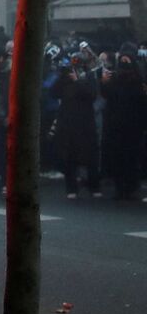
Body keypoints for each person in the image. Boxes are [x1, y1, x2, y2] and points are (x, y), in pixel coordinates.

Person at [100, 45, 146, 202]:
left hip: (133, 126)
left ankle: (131, 187)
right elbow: (107, 95)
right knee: (119, 158)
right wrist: (104, 83)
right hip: (117, 126)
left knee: (131, 158)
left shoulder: (138, 81)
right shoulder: (115, 80)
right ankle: (121, 188)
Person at [54, 53, 101, 198]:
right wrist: (62, 77)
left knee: (91, 156)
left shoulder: (88, 77)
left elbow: (92, 94)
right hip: (68, 122)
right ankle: (71, 188)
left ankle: (94, 187)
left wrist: (78, 81)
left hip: (85, 122)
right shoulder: (65, 78)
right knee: (69, 155)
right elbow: (53, 93)